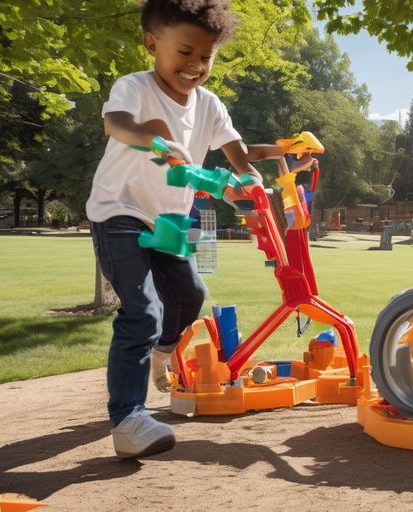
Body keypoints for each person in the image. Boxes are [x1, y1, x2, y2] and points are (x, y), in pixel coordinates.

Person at [86, 0, 283, 458]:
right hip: (119, 210)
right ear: (153, 44)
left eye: (206, 57)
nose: (195, 66)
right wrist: (155, 141)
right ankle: (128, 418)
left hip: (172, 218)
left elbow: (236, 148)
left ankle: (161, 353)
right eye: (185, 52)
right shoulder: (134, 87)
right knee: (143, 310)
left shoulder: (209, 104)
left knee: (190, 296)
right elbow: (114, 123)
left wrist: (248, 178)